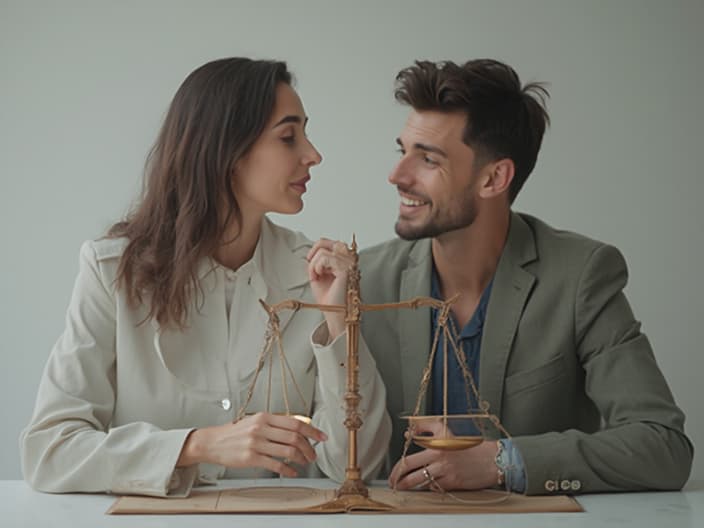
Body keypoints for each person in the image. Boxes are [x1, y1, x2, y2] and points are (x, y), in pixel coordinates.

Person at [20, 57, 390, 497]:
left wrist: (337, 323)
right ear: (227, 150)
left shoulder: (313, 276)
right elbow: (50, 452)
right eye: (289, 137)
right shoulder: (112, 274)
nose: (313, 154)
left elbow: (359, 464)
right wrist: (197, 445)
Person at [355, 59, 693, 495]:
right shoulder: (365, 282)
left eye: (428, 159)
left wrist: (502, 461)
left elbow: (663, 447)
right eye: (402, 151)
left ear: (495, 177)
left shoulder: (581, 276)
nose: (397, 175)